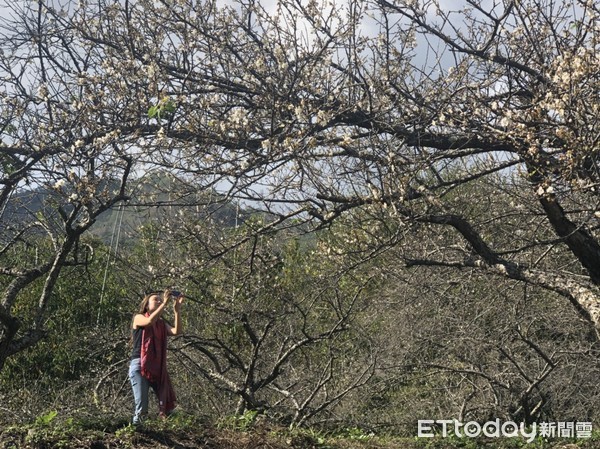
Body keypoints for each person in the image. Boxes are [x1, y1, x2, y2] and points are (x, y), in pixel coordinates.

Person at [128, 289, 184, 425]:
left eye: (160, 299)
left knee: (166, 402)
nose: (159, 301)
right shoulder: (139, 317)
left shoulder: (160, 324)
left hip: (156, 367)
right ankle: (137, 433)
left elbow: (177, 331)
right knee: (142, 407)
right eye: (156, 300)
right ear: (146, 305)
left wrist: (176, 310)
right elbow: (148, 322)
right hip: (139, 364)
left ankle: (165, 430)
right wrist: (164, 304)